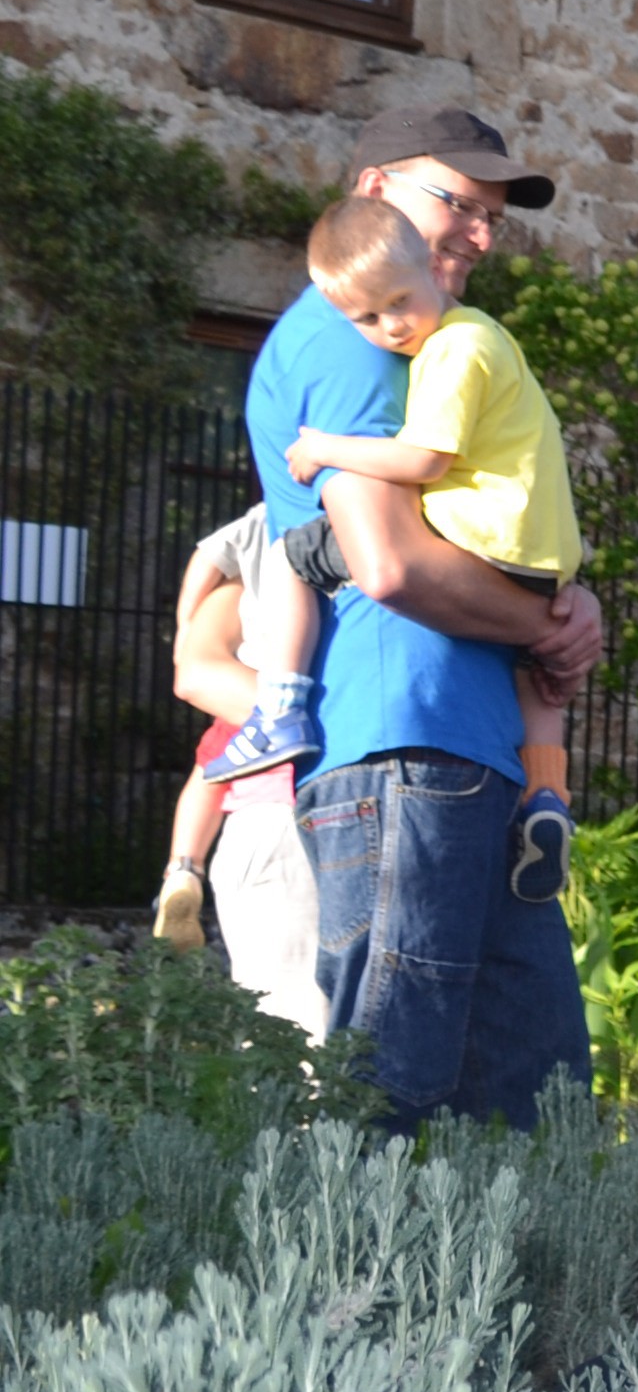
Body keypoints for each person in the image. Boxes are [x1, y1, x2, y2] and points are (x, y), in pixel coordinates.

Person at [242, 100, 606, 1125]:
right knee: (394, 1105)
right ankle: (343, 1295)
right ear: (375, 191)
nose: (482, 235)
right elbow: (392, 563)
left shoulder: (423, 348)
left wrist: (564, 604)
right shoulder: (354, 340)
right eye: (460, 203)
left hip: (459, 753)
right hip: (403, 748)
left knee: (534, 1111)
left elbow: (485, 528)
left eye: (495, 216)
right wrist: (546, 628)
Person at [227, 197, 587, 900]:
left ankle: (282, 699)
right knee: (537, 679)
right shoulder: (458, 342)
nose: (388, 327)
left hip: (481, 548)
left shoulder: (454, 345)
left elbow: (410, 497)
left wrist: (326, 448)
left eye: (396, 303)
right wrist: (551, 626)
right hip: (535, 557)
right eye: (366, 317)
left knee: (308, 553)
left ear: (429, 269)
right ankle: (550, 794)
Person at [151, 506, 327, 1030]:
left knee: (207, 779)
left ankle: (182, 870)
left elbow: (208, 559)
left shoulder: (252, 559)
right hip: (309, 782)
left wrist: (186, 619)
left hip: (254, 765)